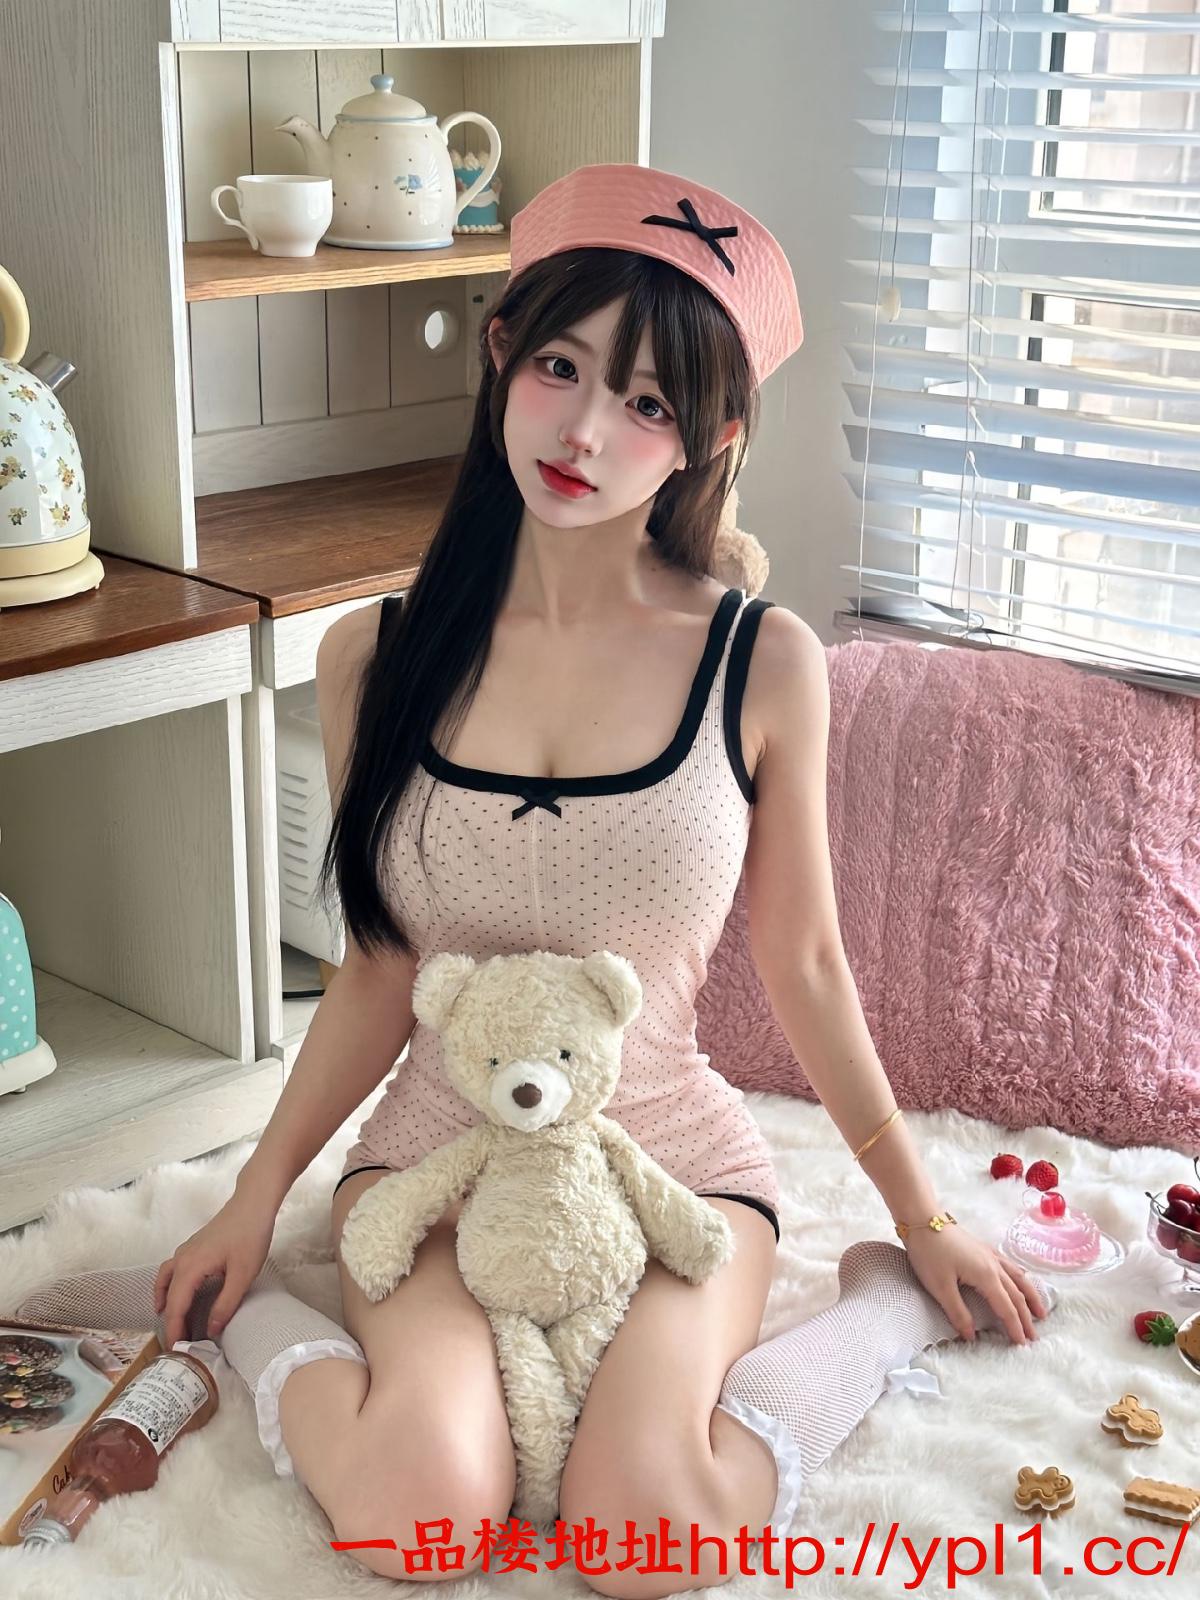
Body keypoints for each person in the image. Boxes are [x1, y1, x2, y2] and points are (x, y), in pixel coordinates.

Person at [20, 162, 1053, 1591]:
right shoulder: (376, 657)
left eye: (649, 403)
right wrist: (254, 1200)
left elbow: (807, 963)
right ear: (502, 351)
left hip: (670, 1158)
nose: (584, 431)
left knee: (646, 1536)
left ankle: (878, 1316)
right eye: (561, 366)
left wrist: (920, 1221)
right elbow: (380, 972)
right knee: (413, 1517)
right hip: (437, 1157)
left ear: (711, 439)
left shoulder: (763, 662)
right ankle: (241, 1318)